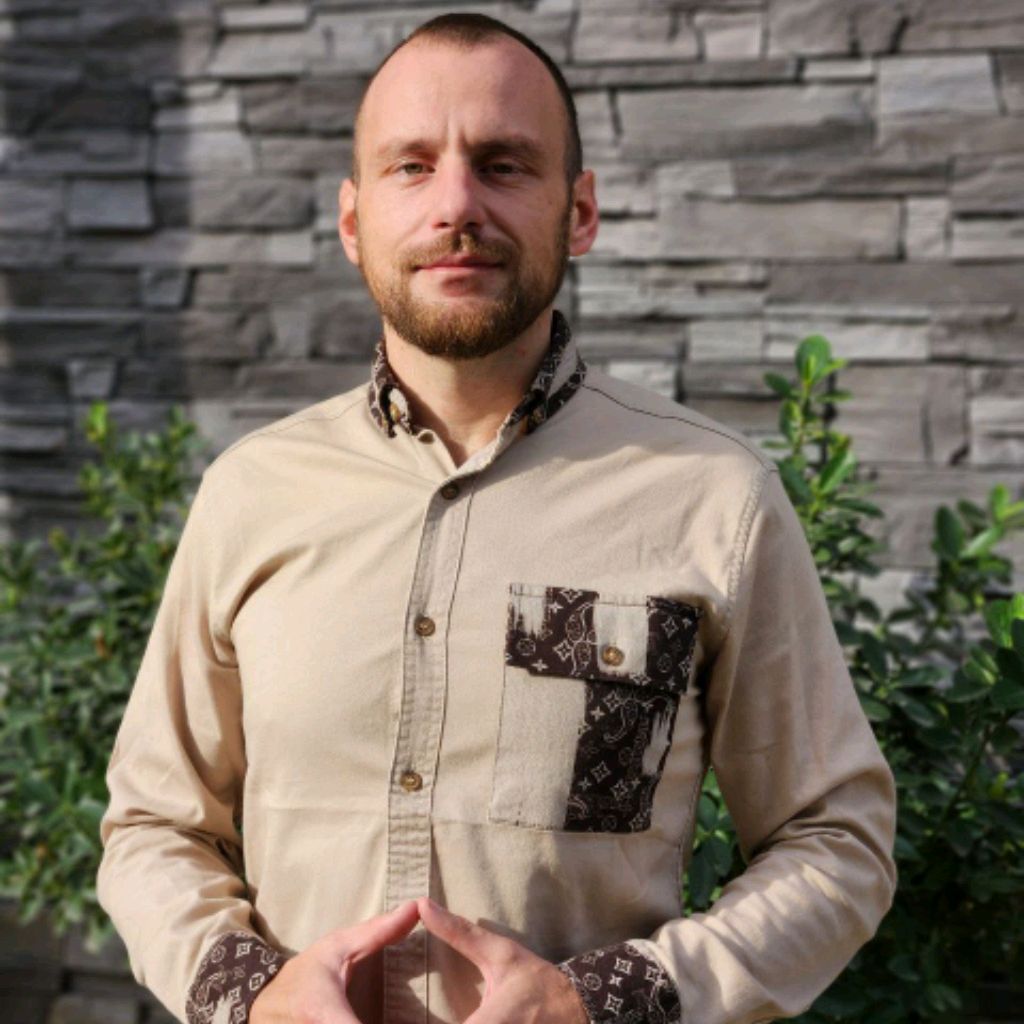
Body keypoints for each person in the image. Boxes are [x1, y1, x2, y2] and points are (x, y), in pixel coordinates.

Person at [96, 12, 897, 1024]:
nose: (456, 206)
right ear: (353, 222)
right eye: (411, 167)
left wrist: (603, 1002)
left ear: (579, 211)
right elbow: (154, 826)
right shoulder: (251, 495)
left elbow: (836, 841)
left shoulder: (715, 500)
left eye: (503, 164)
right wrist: (250, 997)